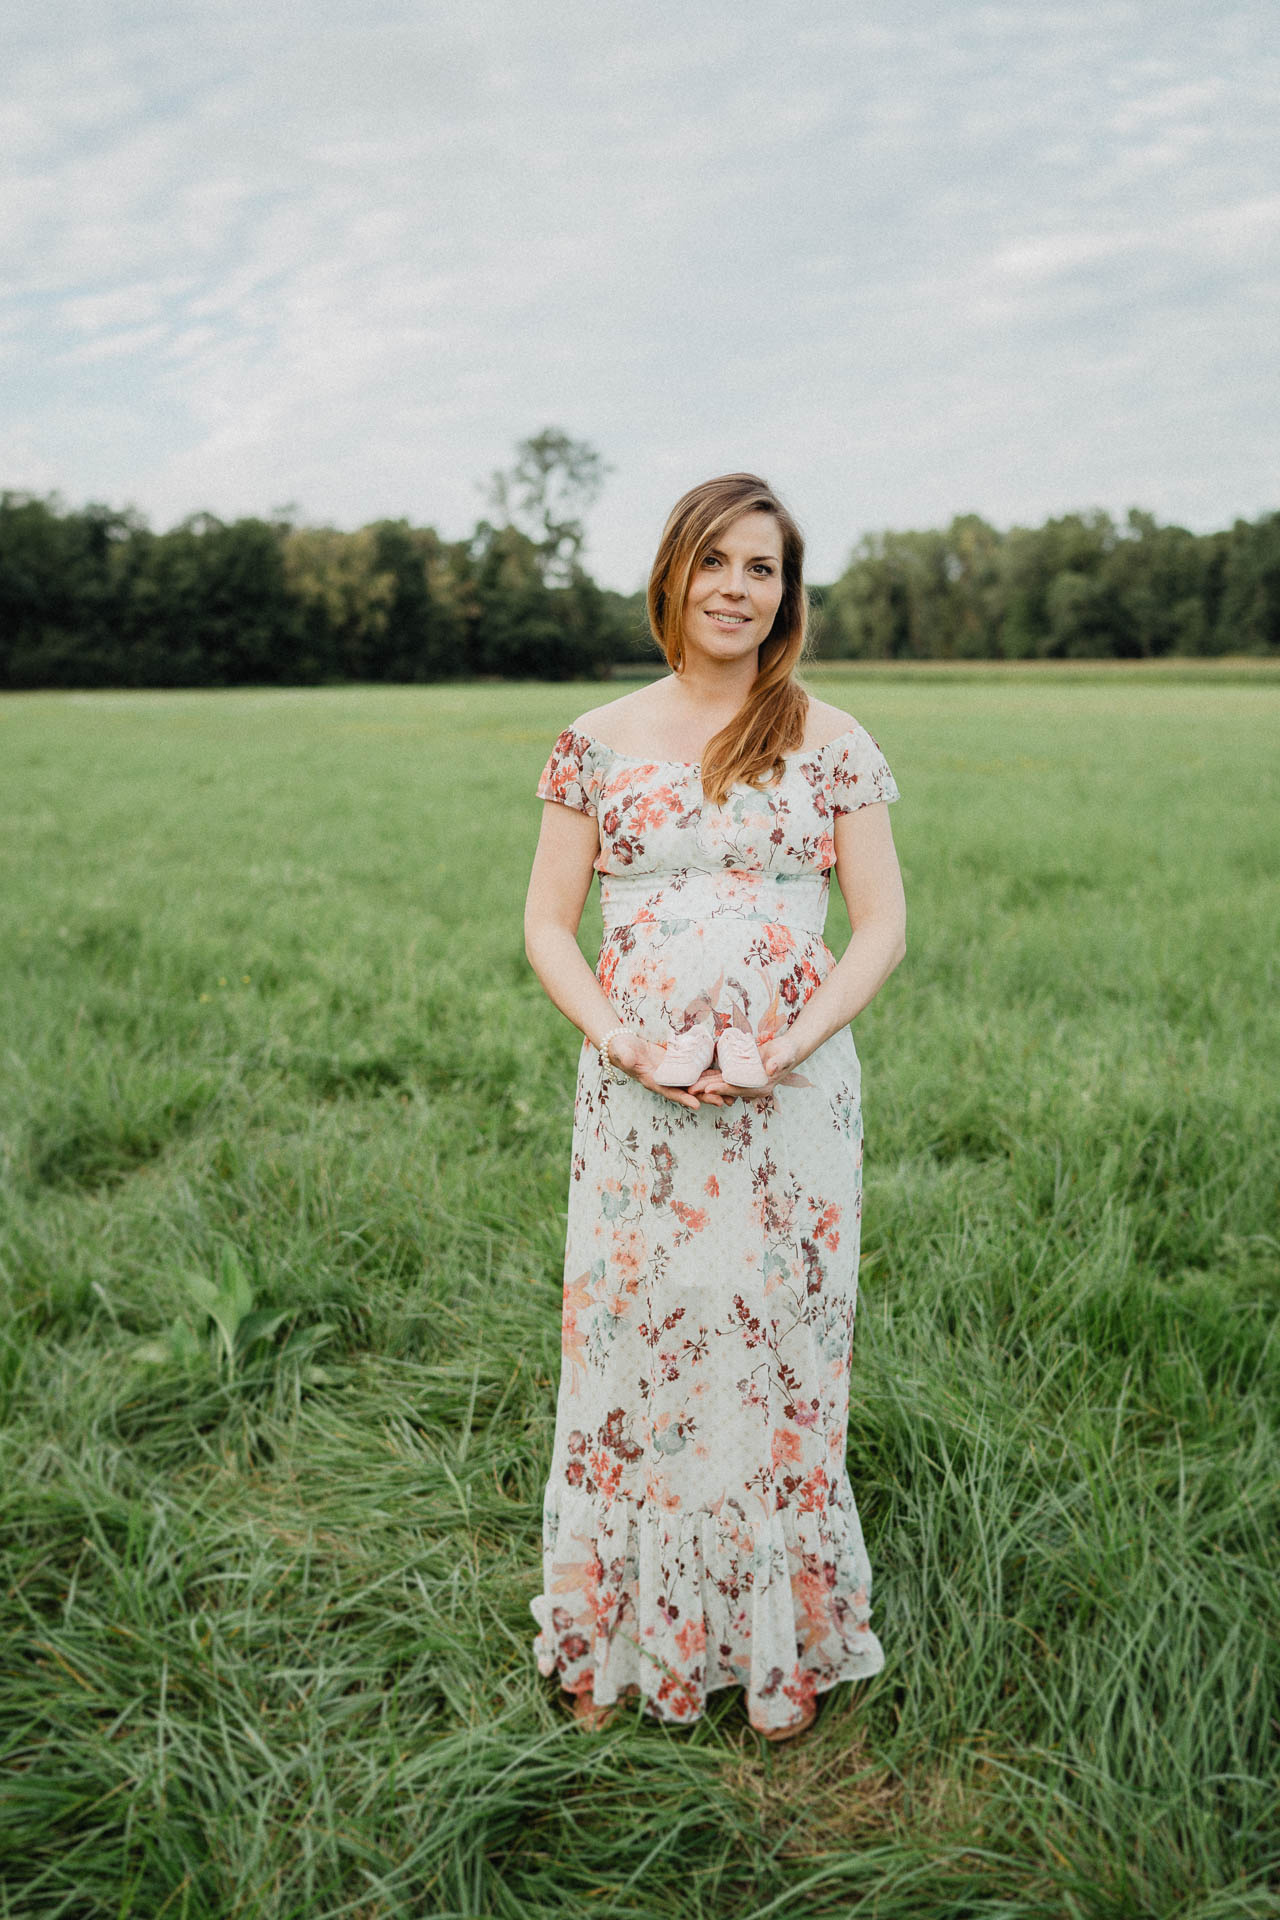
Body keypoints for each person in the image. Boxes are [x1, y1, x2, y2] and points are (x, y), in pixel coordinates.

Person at [523, 473, 906, 1741]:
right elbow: (546, 926)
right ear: (673, 573)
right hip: (634, 1102)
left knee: (774, 1339)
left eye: (765, 569)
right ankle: (614, 1634)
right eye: (718, 562)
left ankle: (775, 1645)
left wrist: (785, 1045)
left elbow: (882, 927)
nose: (739, 588)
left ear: (786, 594)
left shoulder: (830, 738)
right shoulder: (595, 738)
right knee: (636, 1337)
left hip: (790, 1102)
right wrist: (626, 1043)